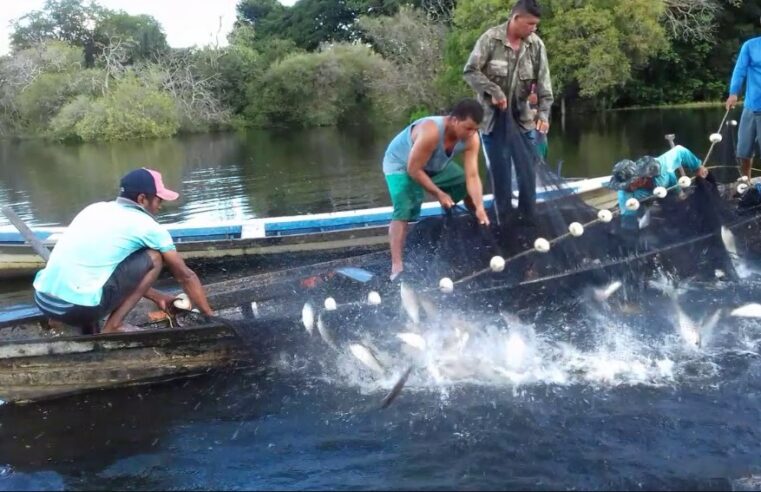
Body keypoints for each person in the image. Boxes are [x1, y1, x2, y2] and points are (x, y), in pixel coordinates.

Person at [33, 168, 213, 334]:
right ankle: (114, 325)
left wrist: (157, 297)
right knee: (155, 257)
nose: (160, 206)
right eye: (159, 199)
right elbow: (185, 276)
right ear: (142, 199)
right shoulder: (149, 227)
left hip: (43, 300)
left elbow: (113, 271)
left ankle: (55, 321)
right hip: (78, 309)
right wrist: (210, 317)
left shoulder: (94, 209)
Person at [463, 0, 553, 217]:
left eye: (536, 25)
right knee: (500, 175)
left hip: (523, 121)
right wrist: (493, 90)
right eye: (530, 24)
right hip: (493, 122)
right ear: (516, 18)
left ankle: (527, 218)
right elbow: (470, 71)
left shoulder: (536, 45)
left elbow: (544, 85)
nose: (534, 28)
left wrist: (543, 113)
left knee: (527, 173)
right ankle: (503, 221)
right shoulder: (489, 39)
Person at [383, 99, 490, 280]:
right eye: (468, 128)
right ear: (454, 120)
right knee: (404, 206)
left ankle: (479, 231)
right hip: (401, 164)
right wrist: (439, 193)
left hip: (433, 163)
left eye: (475, 129)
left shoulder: (472, 139)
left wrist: (479, 206)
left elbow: (472, 176)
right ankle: (397, 266)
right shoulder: (431, 131)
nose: (471, 133)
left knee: (463, 184)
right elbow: (413, 169)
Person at [606, 145, 708, 231]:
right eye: (624, 185)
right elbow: (628, 219)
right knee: (631, 220)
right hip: (643, 199)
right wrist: (630, 231)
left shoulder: (659, 166)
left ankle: (677, 198)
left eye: (629, 183)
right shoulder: (625, 194)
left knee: (677, 210)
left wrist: (697, 167)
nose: (627, 187)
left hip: (669, 188)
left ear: (639, 177)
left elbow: (680, 151)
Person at [726, 34, 761, 179]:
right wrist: (733, 93)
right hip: (751, 106)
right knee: (743, 150)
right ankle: (747, 182)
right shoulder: (750, 45)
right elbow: (740, 70)